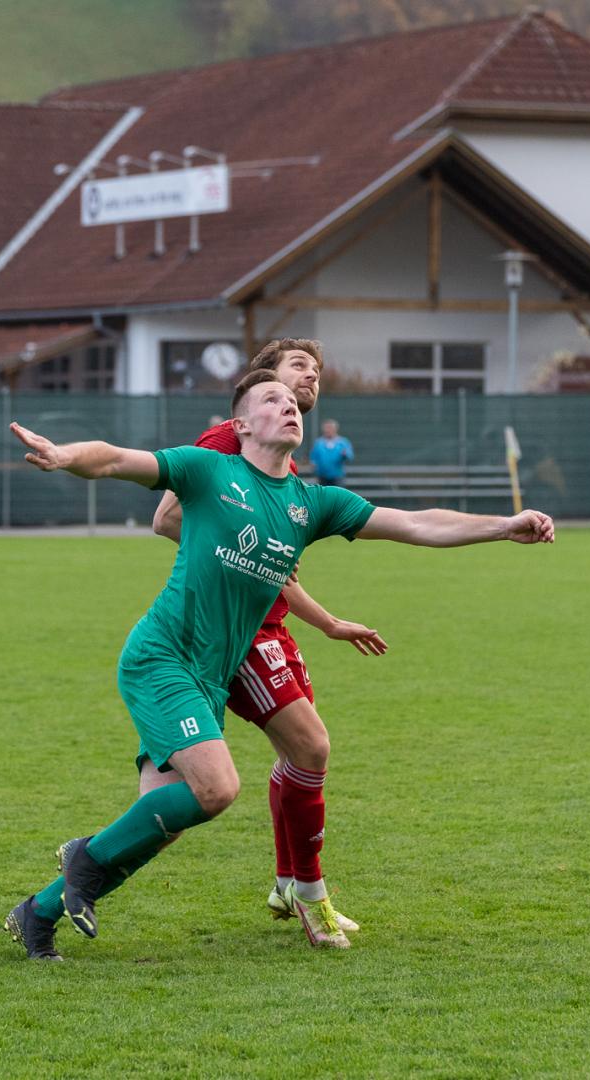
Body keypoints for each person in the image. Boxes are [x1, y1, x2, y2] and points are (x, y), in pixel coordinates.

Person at [5, 369, 554, 960]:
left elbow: (414, 522)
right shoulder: (208, 470)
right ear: (240, 424)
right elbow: (116, 459)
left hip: (210, 677)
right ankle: (83, 856)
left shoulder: (312, 504)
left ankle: (37, 914)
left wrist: (504, 526)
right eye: (273, 399)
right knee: (218, 788)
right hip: (161, 657)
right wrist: (64, 455)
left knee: (159, 827)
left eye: (294, 401)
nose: (290, 405)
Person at [153, 339, 383, 945]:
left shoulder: (286, 460)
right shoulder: (230, 440)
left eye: (316, 373)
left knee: (297, 756)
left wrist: (325, 620)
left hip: (273, 621)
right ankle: (307, 891)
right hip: (238, 627)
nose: (309, 380)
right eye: (296, 368)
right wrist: (236, 552)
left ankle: (289, 882)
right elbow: (167, 518)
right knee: (301, 749)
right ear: (261, 382)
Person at [308, 419, 353, 487]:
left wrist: (345, 455)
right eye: (326, 427)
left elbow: (349, 455)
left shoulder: (342, 442)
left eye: (330, 427)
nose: (328, 430)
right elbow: (313, 457)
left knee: (337, 493)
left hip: (337, 475)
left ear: (335, 429)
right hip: (322, 475)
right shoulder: (319, 443)